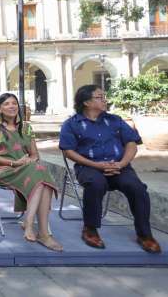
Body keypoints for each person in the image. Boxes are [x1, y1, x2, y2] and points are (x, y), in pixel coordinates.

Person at [60, 85, 161, 254]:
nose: (104, 99)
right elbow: (68, 151)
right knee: (96, 184)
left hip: (118, 166)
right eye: (99, 97)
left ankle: (144, 234)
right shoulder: (71, 124)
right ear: (86, 102)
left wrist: (121, 164)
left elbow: (131, 143)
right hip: (89, 166)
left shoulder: (115, 120)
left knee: (137, 188)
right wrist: (96, 165)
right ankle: (90, 229)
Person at [0, 93, 62, 251]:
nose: (12, 106)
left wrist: (28, 161)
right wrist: (14, 163)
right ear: (0, 108)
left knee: (41, 175)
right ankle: (41, 232)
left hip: (26, 168)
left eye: (14, 103)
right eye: (6, 104)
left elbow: (35, 154)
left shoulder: (26, 127)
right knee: (42, 175)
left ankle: (32, 224)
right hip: (3, 169)